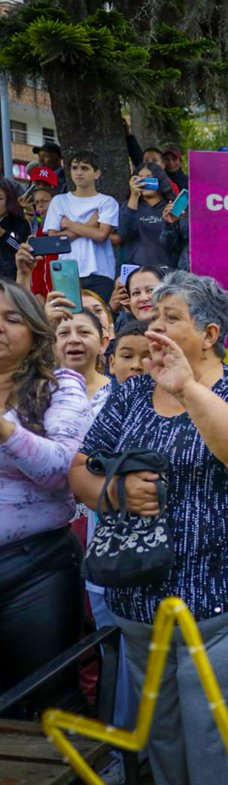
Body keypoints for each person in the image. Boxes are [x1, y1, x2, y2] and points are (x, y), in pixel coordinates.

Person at [69, 272, 228, 785]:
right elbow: (79, 470)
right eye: (153, 316)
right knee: (161, 735)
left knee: (214, 740)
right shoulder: (132, 393)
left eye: (171, 318)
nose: (155, 326)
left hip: (220, 602)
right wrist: (115, 493)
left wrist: (186, 388)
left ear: (209, 335)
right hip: (138, 600)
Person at [0, 280, 91, 718]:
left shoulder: (61, 387)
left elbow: (61, 470)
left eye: (10, 318)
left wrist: (5, 430)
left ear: (35, 331)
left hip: (34, 568)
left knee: (49, 699)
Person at [43, 150, 120, 300]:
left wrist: (68, 224)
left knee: (102, 318)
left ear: (97, 173)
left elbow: (101, 235)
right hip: (66, 271)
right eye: (74, 168)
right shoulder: (59, 201)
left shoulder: (106, 201)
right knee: (69, 319)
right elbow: (54, 242)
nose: (79, 172)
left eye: (85, 168)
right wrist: (90, 224)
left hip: (100, 271)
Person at [118, 162, 176, 268]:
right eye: (139, 179)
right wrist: (134, 196)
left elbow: (176, 241)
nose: (143, 182)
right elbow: (125, 234)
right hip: (137, 271)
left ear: (160, 180)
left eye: (149, 178)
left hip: (167, 270)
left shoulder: (171, 207)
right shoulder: (129, 205)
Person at [0, 179, 32, 282]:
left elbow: (21, 248)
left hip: (12, 281)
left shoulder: (20, 223)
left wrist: (4, 234)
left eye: (0, 198)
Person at [108, 318, 152, 383]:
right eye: (127, 356)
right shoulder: (100, 392)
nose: (136, 365)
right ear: (112, 363)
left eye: (148, 358)